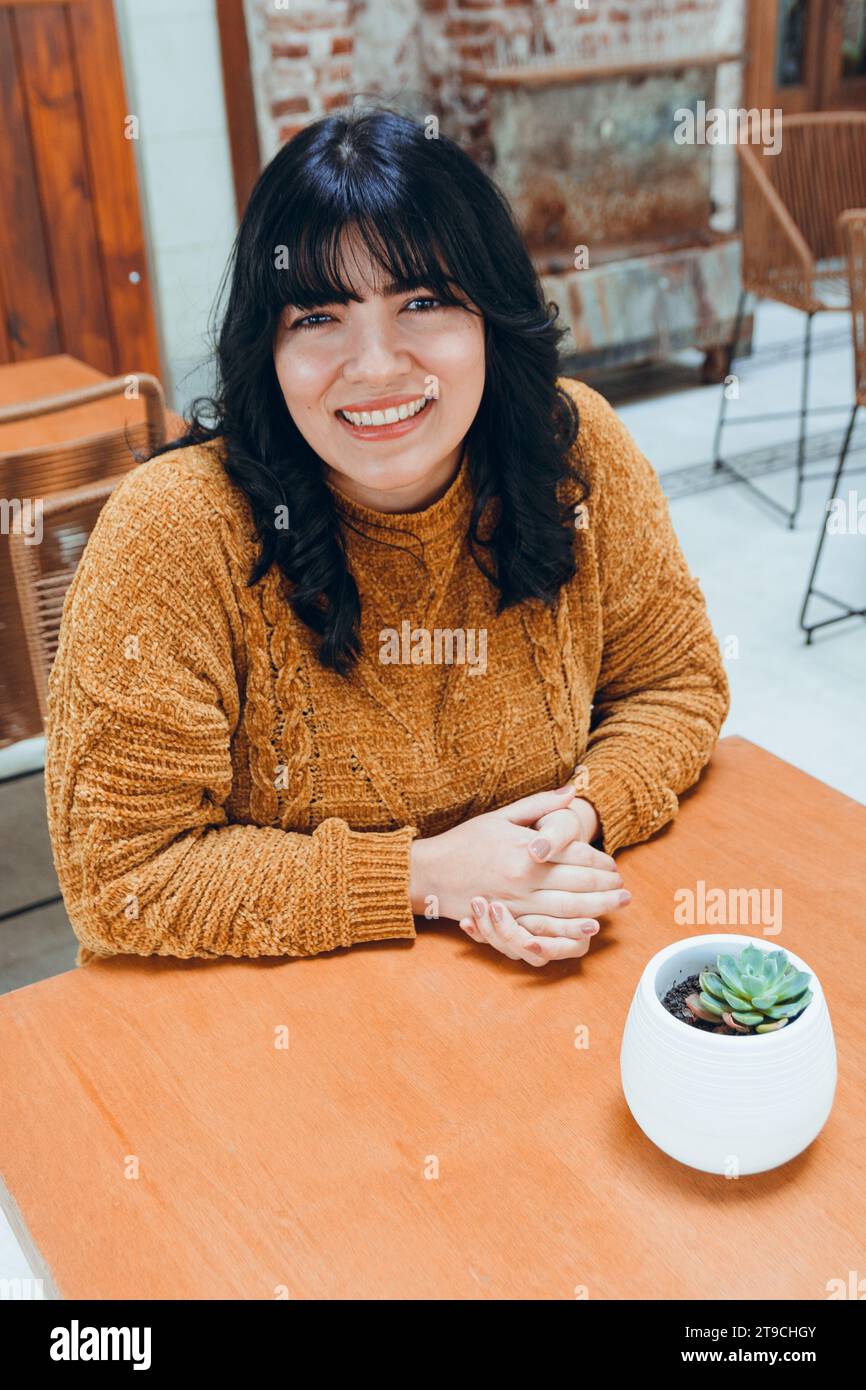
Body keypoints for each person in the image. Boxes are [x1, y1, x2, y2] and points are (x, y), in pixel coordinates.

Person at [44, 107, 730, 970]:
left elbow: (676, 684)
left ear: (491, 314)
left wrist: (577, 816)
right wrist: (426, 875)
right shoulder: (173, 532)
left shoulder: (572, 452)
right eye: (318, 317)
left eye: (425, 301)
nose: (375, 367)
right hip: (270, 1025)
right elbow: (121, 874)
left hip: (536, 975)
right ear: (267, 346)